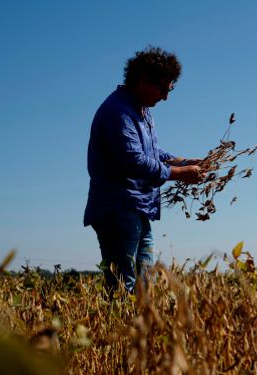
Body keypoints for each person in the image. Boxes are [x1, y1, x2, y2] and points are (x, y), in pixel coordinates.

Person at [83, 46, 205, 293]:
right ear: (143, 79)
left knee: (144, 284)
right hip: (118, 207)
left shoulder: (141, 111)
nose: (165, 97)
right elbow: (135, 161)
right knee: (122, 285)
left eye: (170, 90)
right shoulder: (118, 112)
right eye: (162, 89)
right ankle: (118, 331)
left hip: (137, 207)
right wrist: (181, 175)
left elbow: (152, 153)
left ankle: (137, 329)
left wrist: (184, 161)